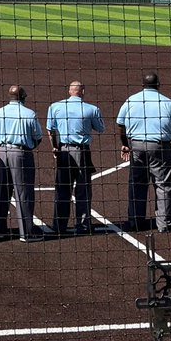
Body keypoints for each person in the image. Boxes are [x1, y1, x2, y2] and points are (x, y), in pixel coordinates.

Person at [116, 72, 171, 233]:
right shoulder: (166, 102)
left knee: (137, 184)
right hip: (160, 147)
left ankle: (135, 222)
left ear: (143, 85)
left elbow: (120, 124)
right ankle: (164, 223)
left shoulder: (131, 100)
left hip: (136, 147)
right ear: (158, 84)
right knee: (163, 185)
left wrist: (125, 144)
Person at [46, 80, 105, 235]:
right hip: (82, 152)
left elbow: (50, 130)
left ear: (69, 91)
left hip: (63, 151)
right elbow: (100, 128)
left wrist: (54, 147)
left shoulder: (55, 107)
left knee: (62, 189)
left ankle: (59, 225)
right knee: (83, 190)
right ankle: (83, 225)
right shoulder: (91, 109)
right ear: (83, 92)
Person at [0, 85, 43, 242]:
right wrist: (29, 146)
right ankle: (27, 232)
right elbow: (37, 136)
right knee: (23, 192)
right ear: (23, 97)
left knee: (2, 191)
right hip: (21, 153)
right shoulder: (29, 114)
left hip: (3, 151)